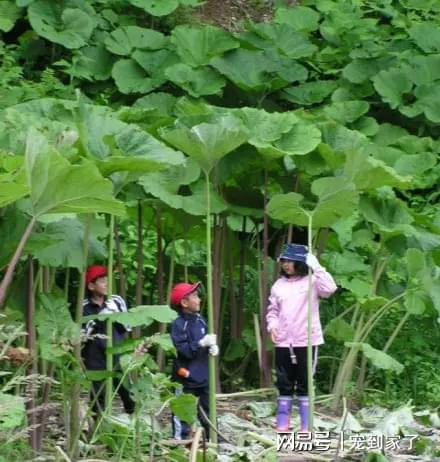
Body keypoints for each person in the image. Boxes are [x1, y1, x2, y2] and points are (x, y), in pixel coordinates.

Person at [266, 244, 337, 432]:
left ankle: (307, 426)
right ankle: (283, 424)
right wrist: (272, 326)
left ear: (301, 262)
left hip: (306, 340)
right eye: (284, 261)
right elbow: (273, 310)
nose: (287, 265)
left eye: (291, 261)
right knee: (283, 382)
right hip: (283, 341)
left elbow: (330, 289)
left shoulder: (312, 281)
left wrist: (317, 266)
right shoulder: (278, 285)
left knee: (305, 383)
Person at [82, 265, 135, 416]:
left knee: (128, 392)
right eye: (102, 281)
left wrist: (116, 314)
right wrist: (100, 318)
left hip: (117, 353)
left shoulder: (117, 301)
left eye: (107, 280)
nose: (107, 284)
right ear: (91, 286)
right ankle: (98, 430)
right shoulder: (84, 306)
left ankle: (133, 423)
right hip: (95, 357)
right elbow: (83, 334)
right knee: (98, 397)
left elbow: (127, 326)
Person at [169, 282, 218, 440]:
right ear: (184, 303)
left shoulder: (200, 320)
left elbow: (205, 342)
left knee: (208, 409)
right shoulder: (178, 324)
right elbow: (183, 351)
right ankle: (180, 440)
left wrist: (212, 348)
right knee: (182, 410)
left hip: (203, 375)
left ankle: (214, 437)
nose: (199, 300)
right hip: (185, 377)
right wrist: (200, 344)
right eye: (195, 296)